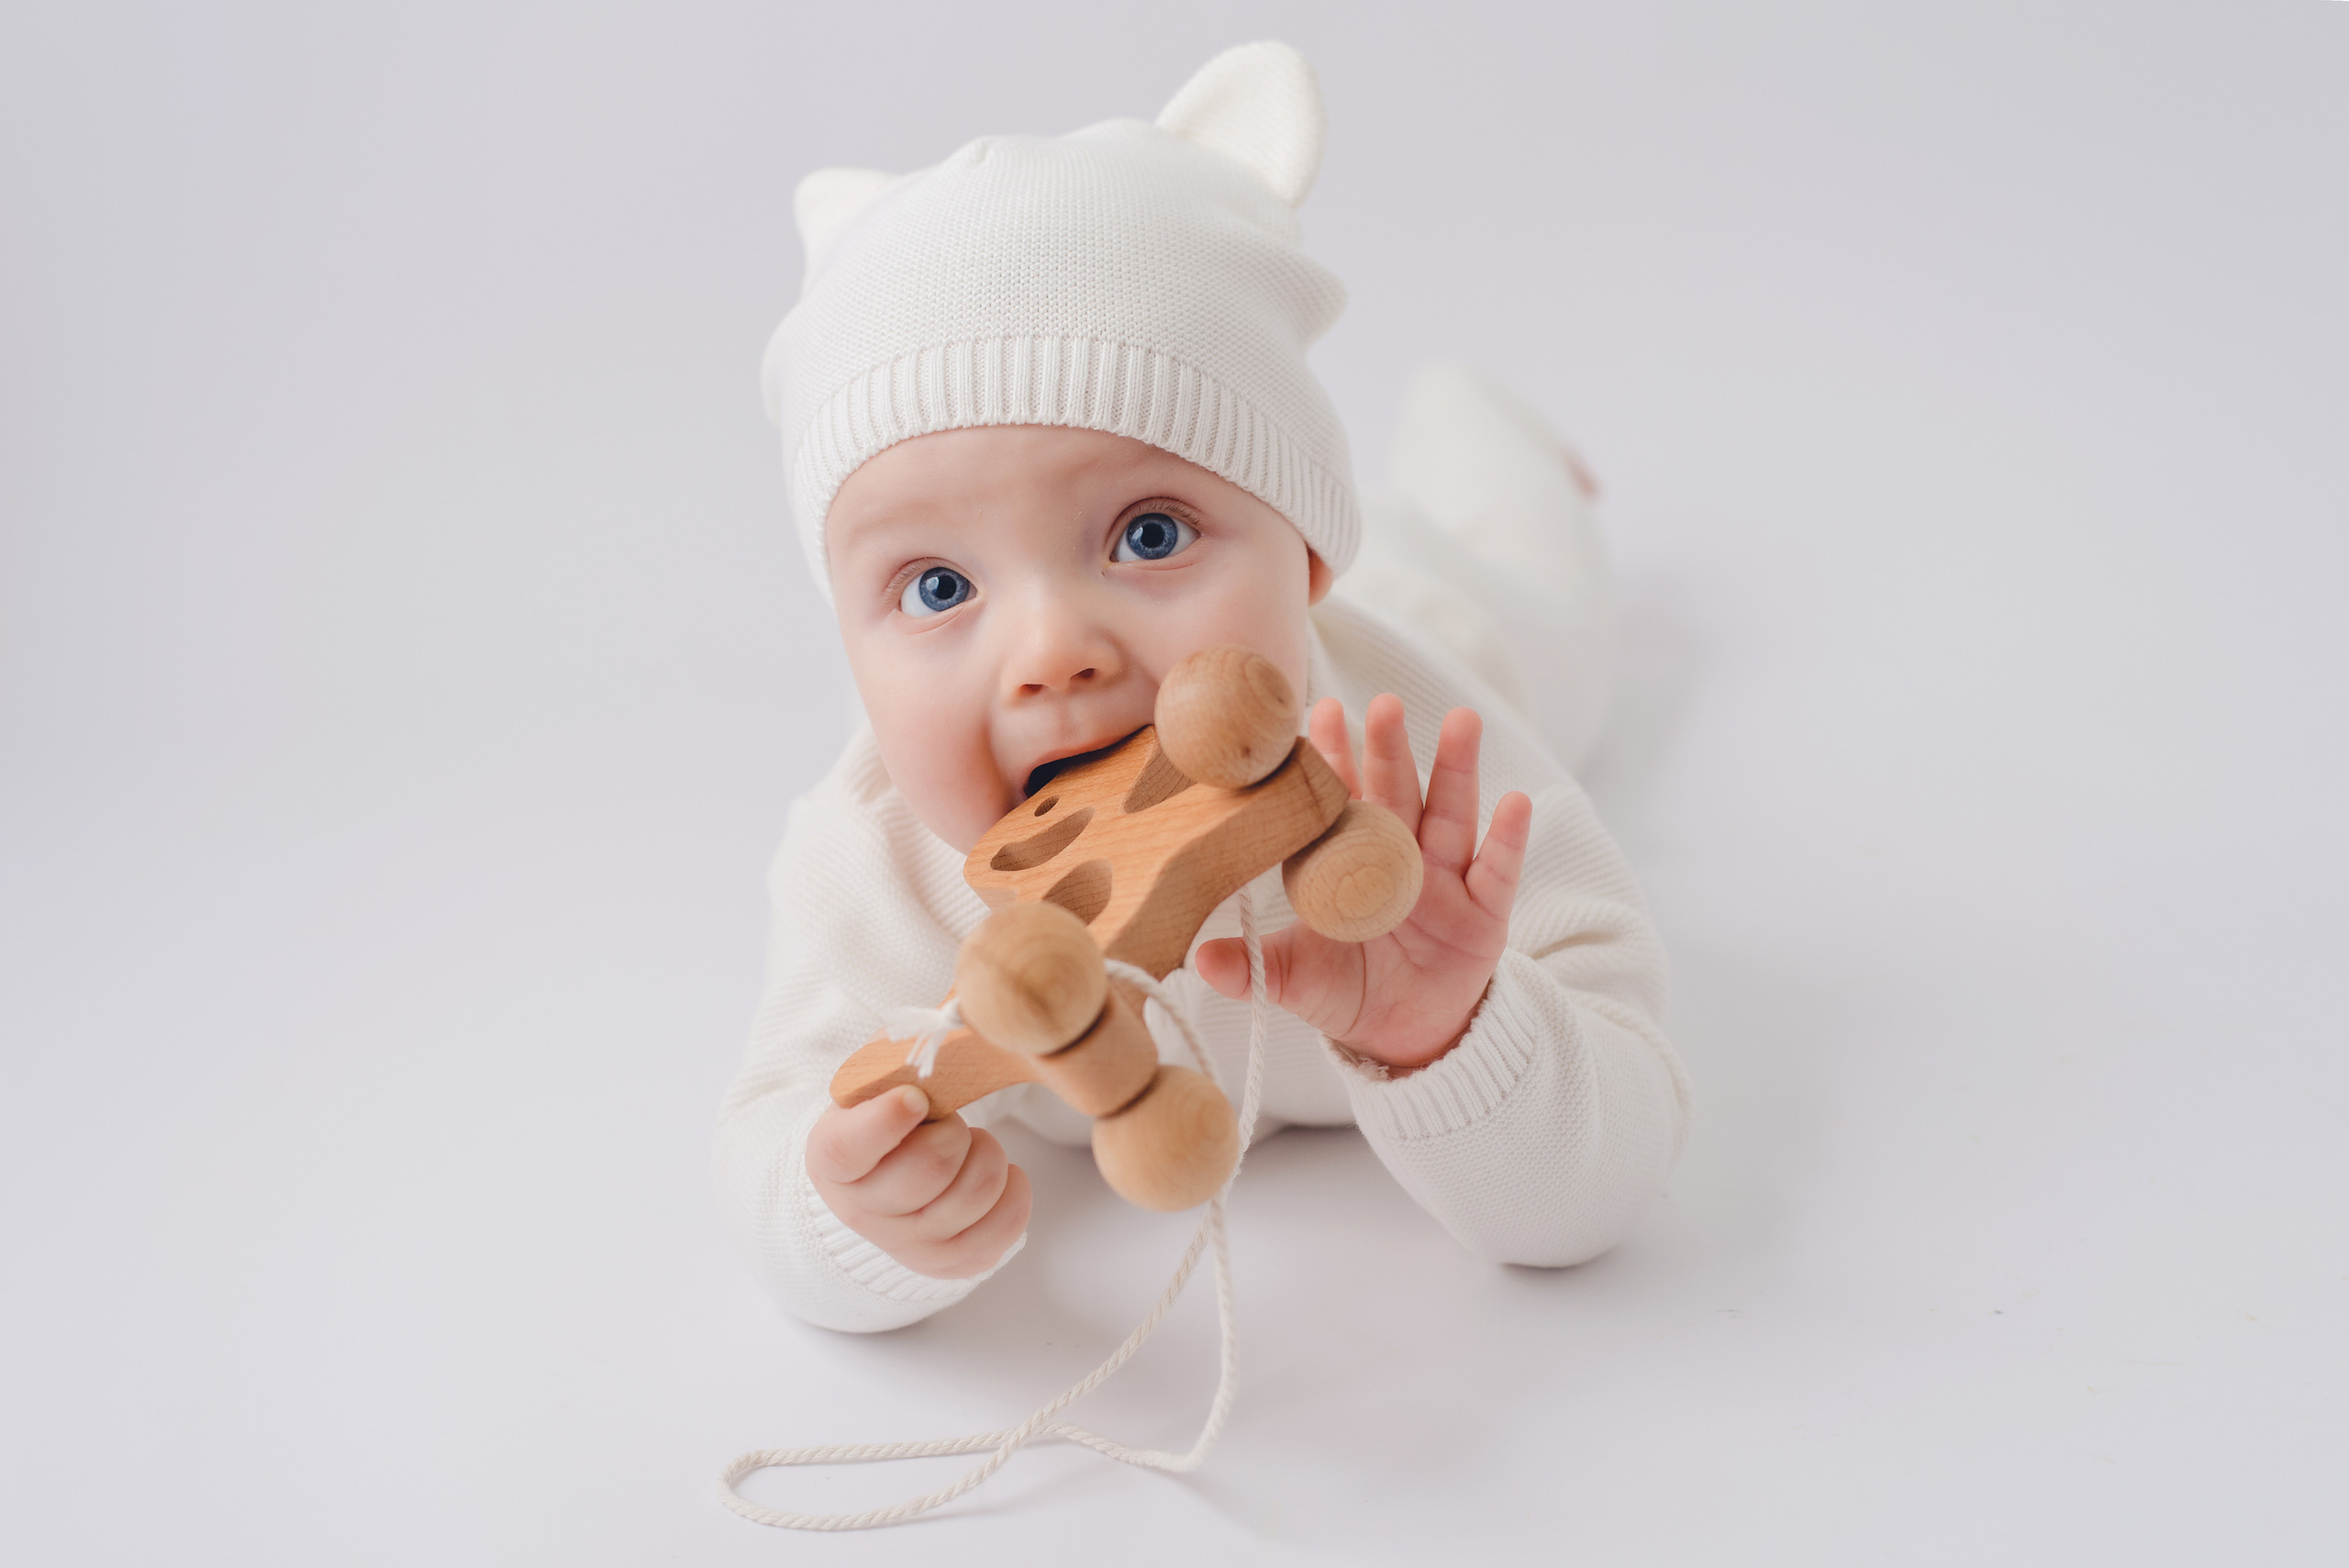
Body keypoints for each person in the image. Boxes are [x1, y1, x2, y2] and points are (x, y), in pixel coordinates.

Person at [716, 41, 1689, 1333]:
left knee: (1552, 608)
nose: (1054, 649)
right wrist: (846, 1217)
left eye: (1150, 533)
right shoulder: (877, 858)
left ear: (1303, 548)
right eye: (941, 588)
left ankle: (1484, 426)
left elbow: (1602, 1187)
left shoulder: (1426, 772)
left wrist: (1457, 1032)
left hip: (1435, 593)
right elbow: (774, 1132)